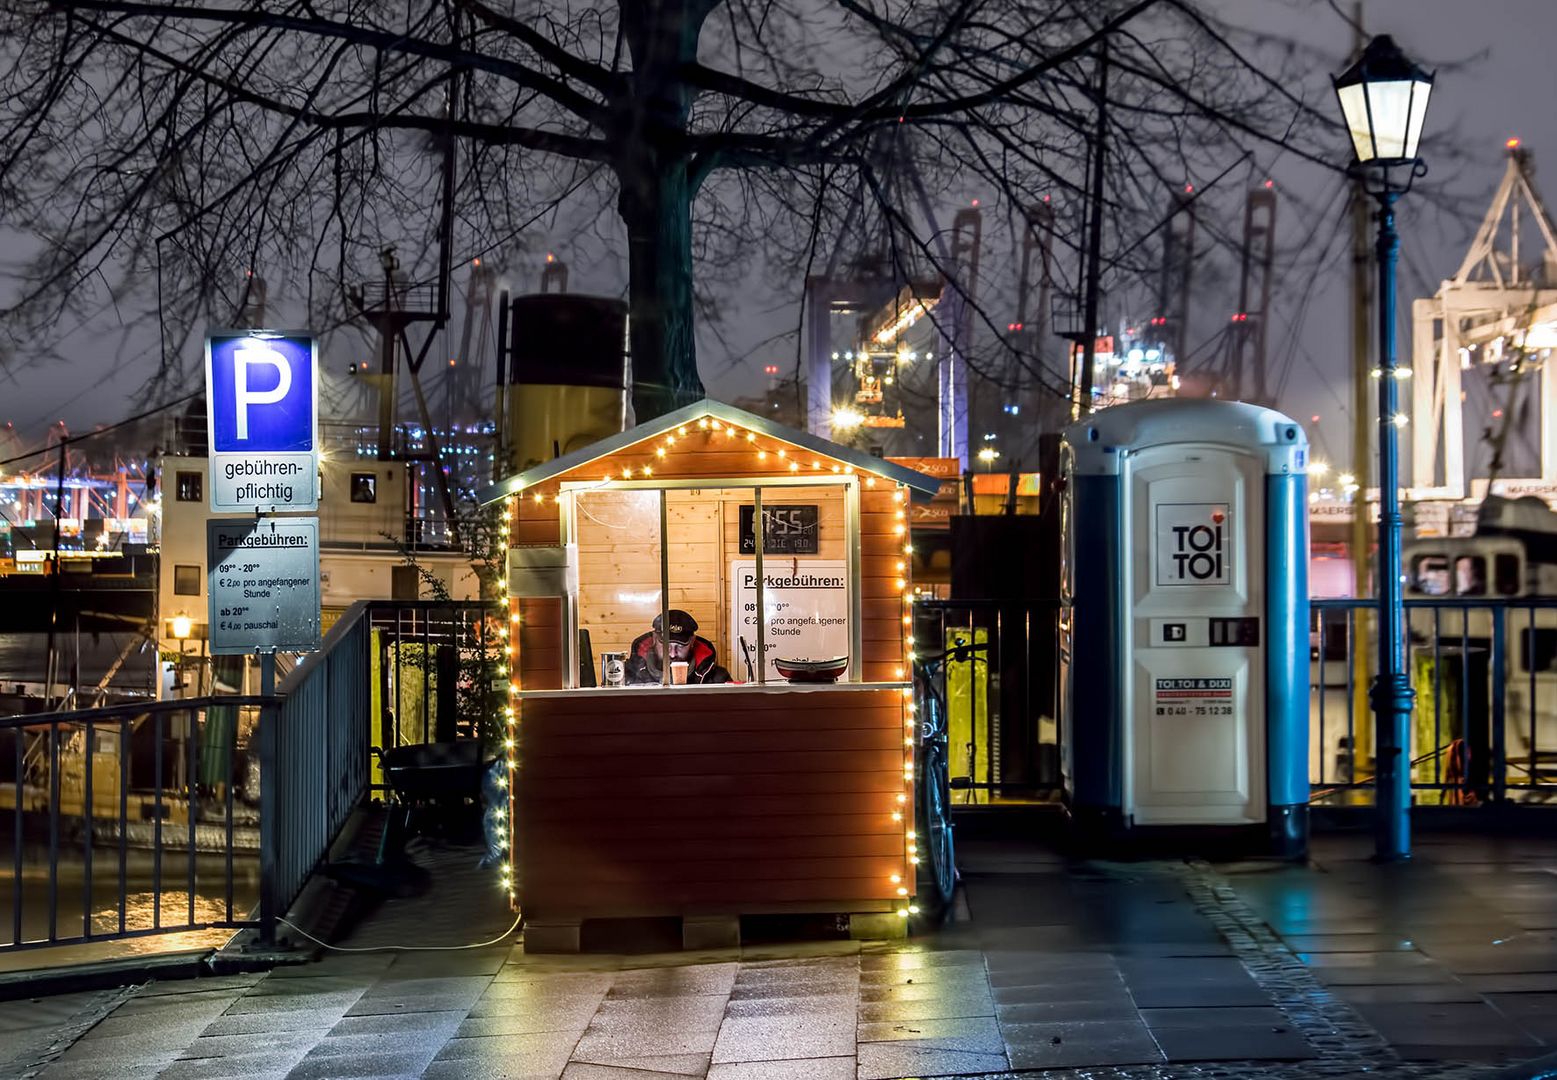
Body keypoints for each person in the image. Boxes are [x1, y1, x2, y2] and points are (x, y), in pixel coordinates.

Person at [624, 610, 732, 685]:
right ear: (654, 639)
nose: (672, 654)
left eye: (680, 646)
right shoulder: (628, 674)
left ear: (692, 641)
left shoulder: (717, 678)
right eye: (666, 646)